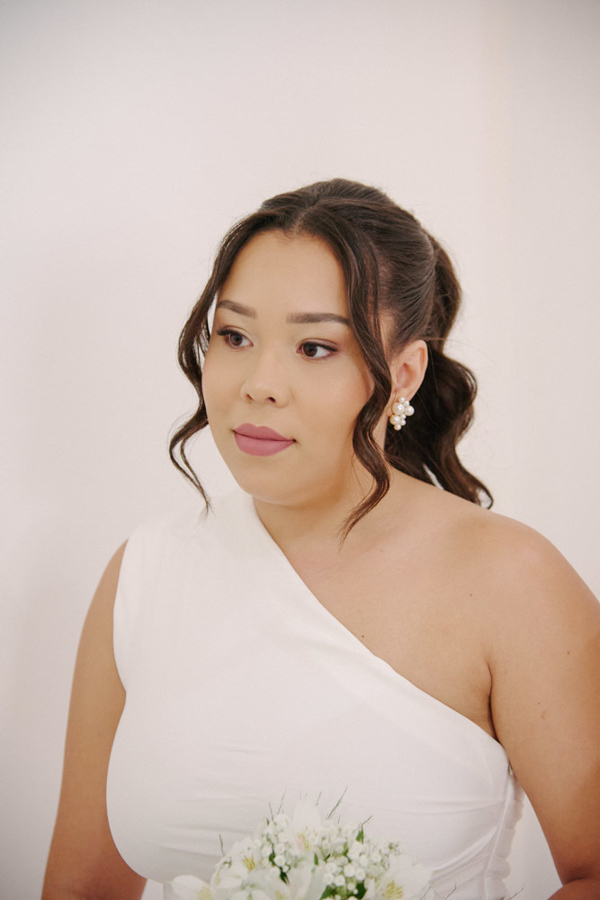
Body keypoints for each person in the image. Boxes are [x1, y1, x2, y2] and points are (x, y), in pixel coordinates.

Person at [42, 179, 600, 900]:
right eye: (235, 336)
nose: (259, 383)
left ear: (403, 374)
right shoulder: (144, 574)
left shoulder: (510, 579)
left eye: (314, 347)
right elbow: (81, 888)